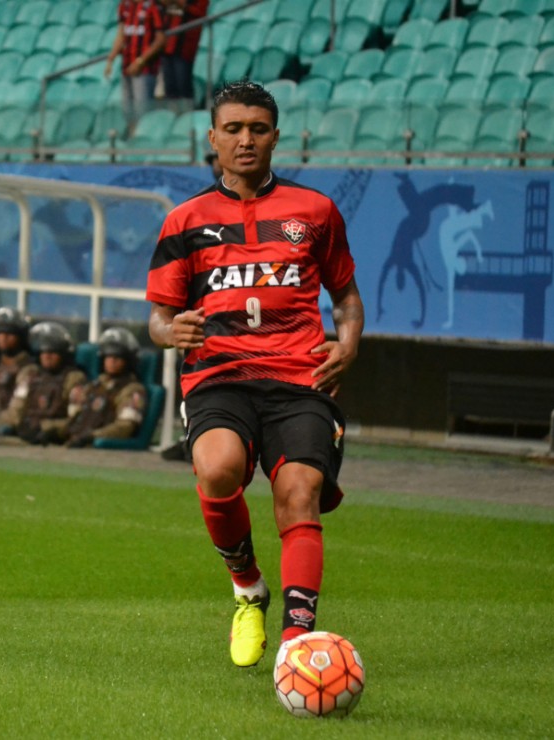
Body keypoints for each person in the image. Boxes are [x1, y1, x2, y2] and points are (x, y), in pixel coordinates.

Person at [145, 81, 364, 670]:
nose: (246, 140)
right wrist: (173, 332)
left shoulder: (315, 212)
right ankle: (248, 590)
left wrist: (349, 343)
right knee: (217, 470)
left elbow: (345, 295)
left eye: (258, 129)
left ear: (275, 137)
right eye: (234, 129)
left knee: (299, 495)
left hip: (299, 379)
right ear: (212, 137)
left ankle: (297, 643)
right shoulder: (184, 221)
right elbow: (158, 320)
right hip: (218, 376)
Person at [43, 327, 148, 448]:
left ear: (129, 361)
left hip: (100, 448)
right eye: (108, 357)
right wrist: (50, 429)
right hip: (74, 442)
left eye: (117, 357)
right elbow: (76, 419)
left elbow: (125, 427)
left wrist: (92, 436)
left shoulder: (132, 390)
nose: (111, 361)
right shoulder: (94, 386)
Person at [8, 321, 87, 445]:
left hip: (54, 439)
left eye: (53, 352)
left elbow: (76, 418)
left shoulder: (74, 378)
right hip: (24, 432)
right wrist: (19, 425)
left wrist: (47, 427)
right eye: (44, 352)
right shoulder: (30, 374)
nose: (47, 356)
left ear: (63, 354)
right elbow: (16, 407)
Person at [104, 0, 167, 138]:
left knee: (142, 111)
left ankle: (145, 142)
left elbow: (161, 39)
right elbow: (121, 34)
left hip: (145, 70)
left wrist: (140, 61)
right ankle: (134, 143)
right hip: (126, 66)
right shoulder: (124, 6)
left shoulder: (152, 7)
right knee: (128, 111)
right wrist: (111, 58)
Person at [159, 0, 209, 113]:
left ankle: (187, 118)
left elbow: (201, 13)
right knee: (170, 88)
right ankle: (173, 118)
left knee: (183, 86)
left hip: (184, 47)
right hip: (168, 47)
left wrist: (182, 4)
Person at [0, 306, 35, 411]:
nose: (3, 337)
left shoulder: (28, 368)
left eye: (10, 333)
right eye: (0, 333)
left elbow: (17, 410)